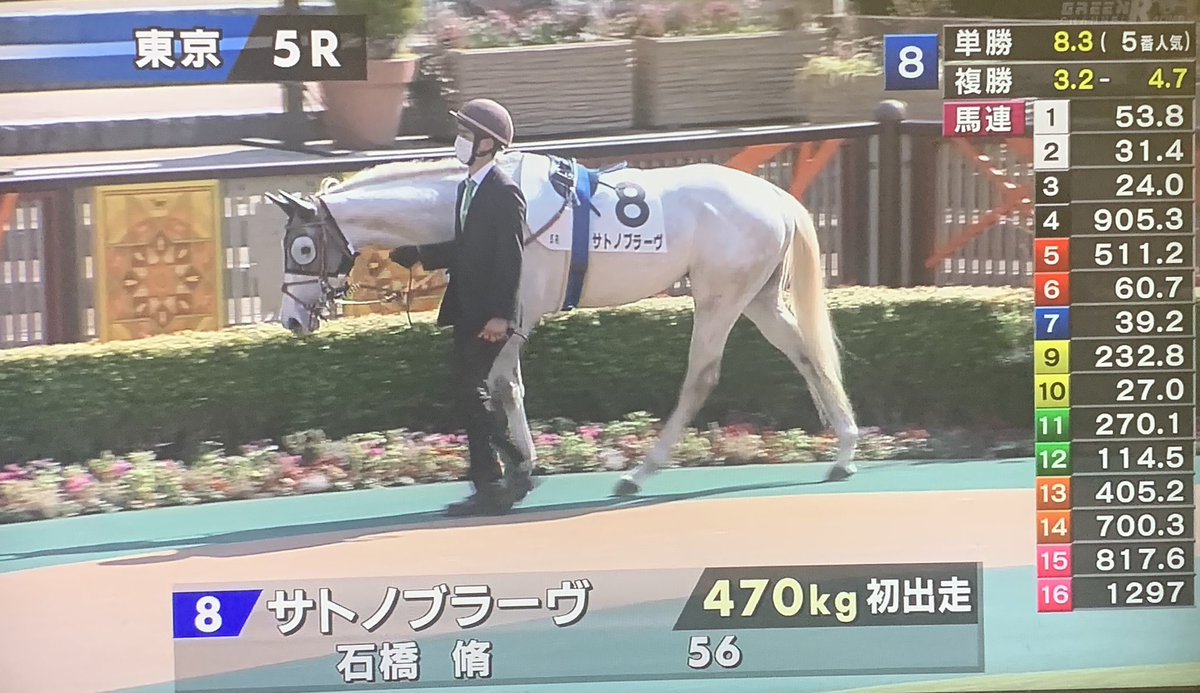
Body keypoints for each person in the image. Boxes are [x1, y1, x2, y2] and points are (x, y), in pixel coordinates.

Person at [388, 98, 531, 517]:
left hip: (490, 314)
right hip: (467, 308)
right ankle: (489, 481)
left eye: (468, 134)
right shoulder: (468, 188)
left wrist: (502, 315)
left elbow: (510, 257)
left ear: (487, 144)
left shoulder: (504, 192)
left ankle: (513, 466)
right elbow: (468, 248)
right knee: (466, 392)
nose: (460, 140)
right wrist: (420, 255)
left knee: (471, 390)